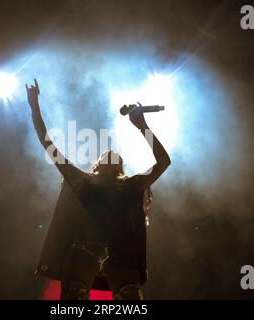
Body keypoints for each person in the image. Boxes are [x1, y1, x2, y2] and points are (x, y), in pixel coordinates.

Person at [26, 79, 171, 300]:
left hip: (121, 251)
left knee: (131, 299)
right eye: (106, 155)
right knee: (74, 298)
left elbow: (163, 161)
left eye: (116, 156)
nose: (111, 154)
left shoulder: (132, 185)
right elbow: (48, 144)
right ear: (97, 165)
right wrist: (34, 106)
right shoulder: (81, 180)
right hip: (84, 247)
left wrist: (142, 126)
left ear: (121, 167)